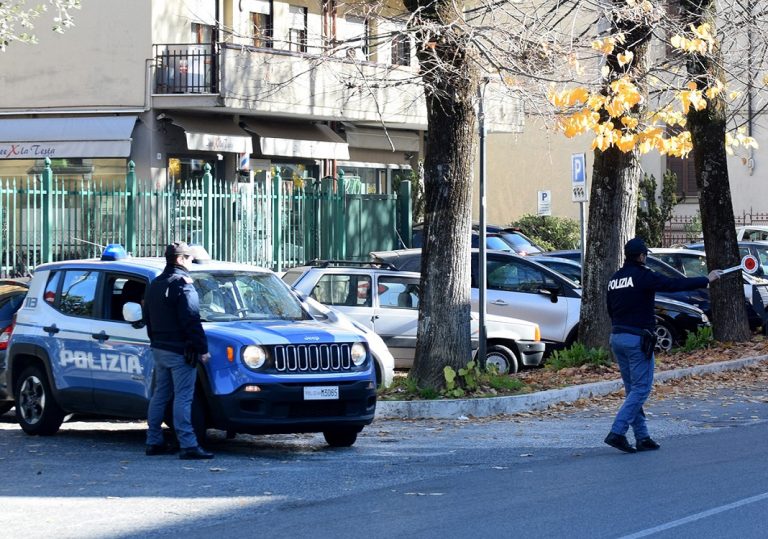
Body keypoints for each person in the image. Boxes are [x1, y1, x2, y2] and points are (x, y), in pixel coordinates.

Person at [604, 237, 722, 454]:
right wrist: (706, 279)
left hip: (617, 338)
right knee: (642, 388)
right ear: (641, 256)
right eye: (645, 255)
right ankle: (617, 432)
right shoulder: (643, 276)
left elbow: (610, 309)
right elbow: (673, 284)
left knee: (633, 390)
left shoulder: (615, 279)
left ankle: (642, 437)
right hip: (637, 339)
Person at [144, 242, 213, 460]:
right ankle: (188, 445)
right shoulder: (182, 283)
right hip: (179, 351)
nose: (191, 263)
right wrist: (202, 348)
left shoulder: (155, 284)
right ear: (180, 259)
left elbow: (148, 317)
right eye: (190, 259)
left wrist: (155, 340)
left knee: (160, 395)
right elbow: (191, 319)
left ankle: (153, 441)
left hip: (159, 348)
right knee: (183, 398)